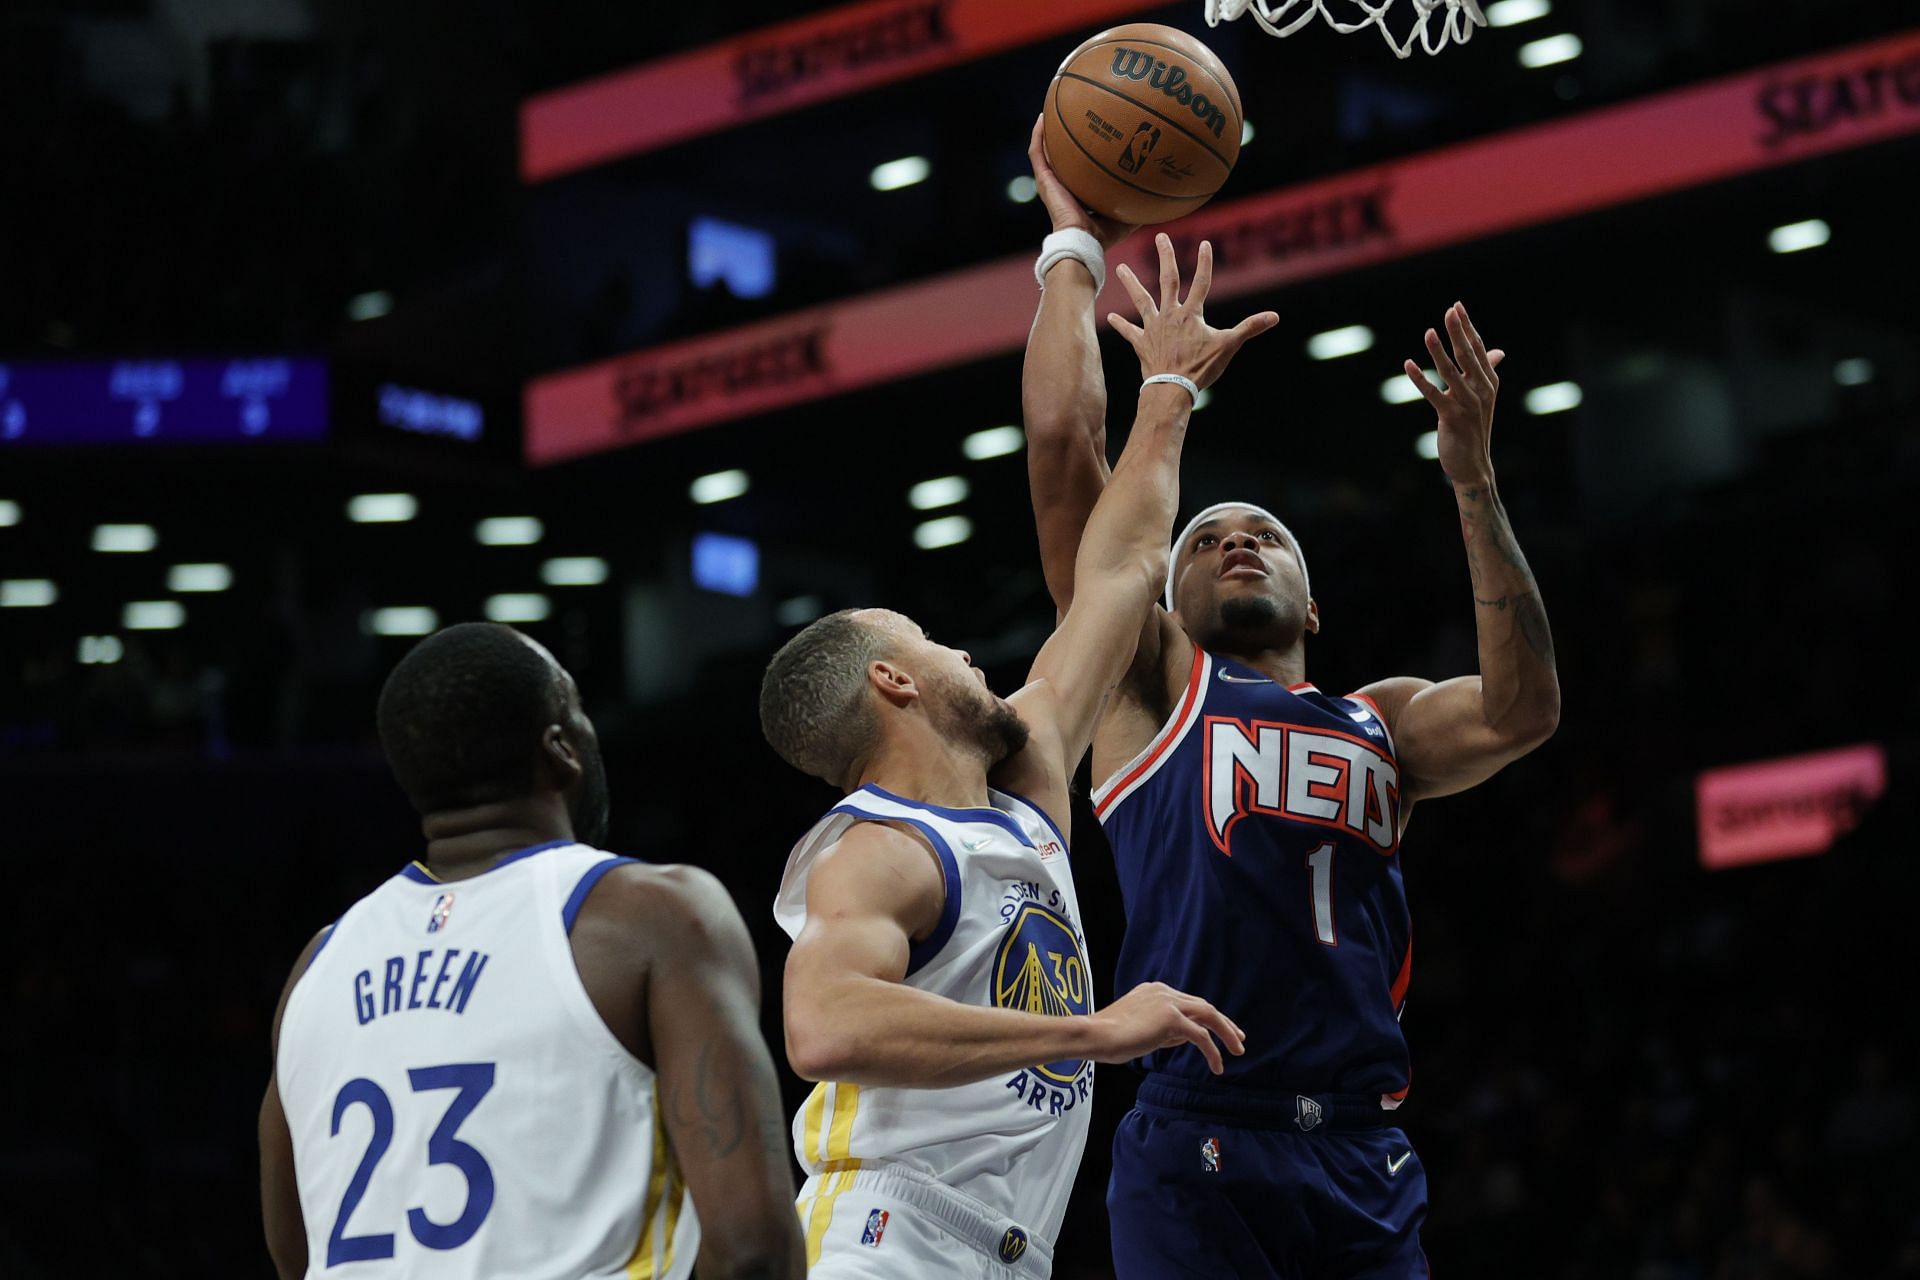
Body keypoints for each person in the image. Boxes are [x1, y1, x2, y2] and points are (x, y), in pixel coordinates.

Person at [1021, 119, 1562, 1277]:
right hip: (1200, 1129)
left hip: (1365, 1149)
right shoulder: (1155, 681)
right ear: (1166, 592)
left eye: (1264, 533)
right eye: (1207, 536)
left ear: (1315, 607)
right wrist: (1070, 249)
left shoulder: (1387, 720)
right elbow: (1068, 461)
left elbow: (1523, 710)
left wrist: (1472, 483)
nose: (1236, 542)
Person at [759, 235, 1275, 1278]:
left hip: (1001, 1247)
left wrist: (1145, 357)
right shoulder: (878, 851)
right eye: (927, 640)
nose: (959, 647)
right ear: (893, 683)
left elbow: (1125, 558)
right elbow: (820, 1024)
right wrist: (1093, 1032)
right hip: (882, 1236)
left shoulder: (1026, 784)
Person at [258, 622, 805, 1279]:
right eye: (577, 712)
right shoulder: (648, 917)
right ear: (560, 750)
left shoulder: (317, 965)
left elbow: (295, 1251)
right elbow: (753, 1249)